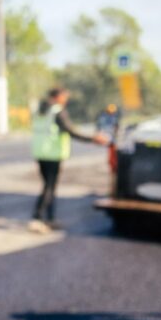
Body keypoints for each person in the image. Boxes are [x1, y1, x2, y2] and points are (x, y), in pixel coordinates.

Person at [29, 88, 109, 233]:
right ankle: (37, 218)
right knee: (49, 187)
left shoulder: (40, 110)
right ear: (57, 96)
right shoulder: (57, 111)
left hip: (40, 152)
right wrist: (93, 138)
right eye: (64, 97)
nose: (65, 99)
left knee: (49, 186)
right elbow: (71, 131)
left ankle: (50, 218)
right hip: (52, 154)